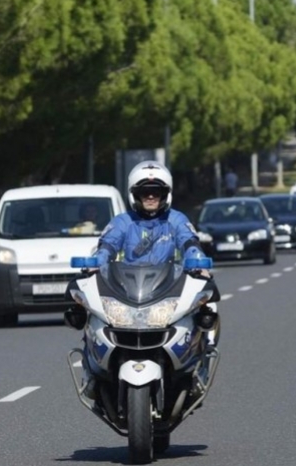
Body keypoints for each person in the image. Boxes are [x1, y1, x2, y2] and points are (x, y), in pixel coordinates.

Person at [66, 161, 219, 397]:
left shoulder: (176, 219)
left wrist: (197, 260)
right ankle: (94, 370)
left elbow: (189, 242)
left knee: (207, 307)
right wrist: (96, 263)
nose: (150, 196)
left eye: (156, 192)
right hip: (126, 289)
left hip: (166, 286)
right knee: (92, 315)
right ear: (134, 195)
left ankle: (200, 361)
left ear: (165, 194)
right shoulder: (122, 222)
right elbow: (107, 246)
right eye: (144, 192)